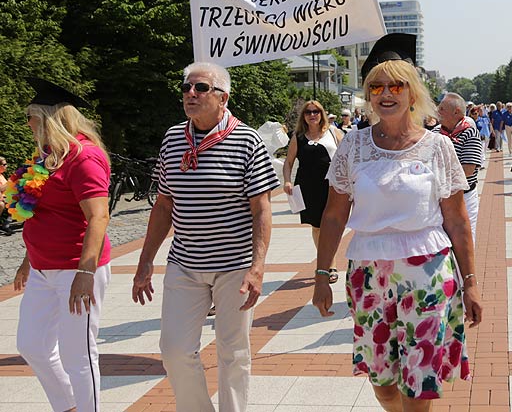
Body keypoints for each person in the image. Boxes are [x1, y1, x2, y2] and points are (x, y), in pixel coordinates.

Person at [312, 34, 482, 412]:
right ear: (368, 94)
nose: (385, 93)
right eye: (376, 86)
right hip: (369, 273)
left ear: (412, 92)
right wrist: (322, 273)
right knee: (382, 381)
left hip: (428, 271)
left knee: (418, 380)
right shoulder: (352, 146)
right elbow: (334, 214)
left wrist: (471, 283)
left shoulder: (439, 147)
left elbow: (457, 221)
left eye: (395, 85)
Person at [132, 62, 279, 412]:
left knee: (233, 351)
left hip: (235, 265)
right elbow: (164, 204)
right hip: (186, 262)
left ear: (223, 98)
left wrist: (257, 267)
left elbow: (262, 209)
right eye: (186, 88)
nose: (190, 94)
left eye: (200, 88)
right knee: (174, 349)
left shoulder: (248, 140)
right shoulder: (172, 138)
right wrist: (144, 261)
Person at [8, 78, 111, 412]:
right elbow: (41, 212)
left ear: (51, 118)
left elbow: (99, 217)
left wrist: (85, 272)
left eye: (32, 117)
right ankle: (69, 405)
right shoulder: (47, 157)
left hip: (76, 268)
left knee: (77, 353)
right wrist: (27, 260)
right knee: (32, 345)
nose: (28, 124)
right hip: (42, 267)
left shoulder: (84, 158)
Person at [283, 100, 343, 283]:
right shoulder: (299, 136)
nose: (312, 115)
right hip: (308, 186)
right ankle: (325, 262)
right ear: (304, 116)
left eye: (316, 111)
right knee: (317, 227)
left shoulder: (333, 132)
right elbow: (288, 162)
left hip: (330, 186)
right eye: (308, 112)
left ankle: (329, 264)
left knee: (330, 225)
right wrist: (287, 181)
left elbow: (346, 156)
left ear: (322, 113)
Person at [434, 94, 483, 244]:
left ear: (456, 112)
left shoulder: (470, 132)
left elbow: (468, 170)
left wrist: (437, 176)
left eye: (442, 109)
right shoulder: (434, 133)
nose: (437, 111)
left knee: (465, 240)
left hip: (463, 196)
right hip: (439, 197)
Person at [0, 157, 12, 235]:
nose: (6, 166)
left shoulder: (1, 175)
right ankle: (5, 225)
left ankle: (6, 224)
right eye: (4, 164)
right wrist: (10, 181)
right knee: (1, 204)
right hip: (1, 199)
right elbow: (1, 188)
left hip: (4, 197)